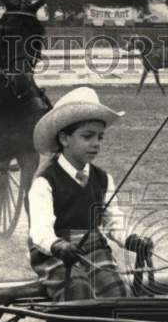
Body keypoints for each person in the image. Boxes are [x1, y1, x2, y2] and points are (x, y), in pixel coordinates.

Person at [28, 86, 153, 301]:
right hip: (55, 254)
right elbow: (40, 231)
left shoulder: (103, 179)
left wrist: (131, 240)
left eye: (100, 137)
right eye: (87, 136)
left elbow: (114, 222)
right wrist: (58, 245)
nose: (96, 143)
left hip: (94, 249)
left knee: (117, 291)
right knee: (77, 288)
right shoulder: (45, 180)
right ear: (64, 139)